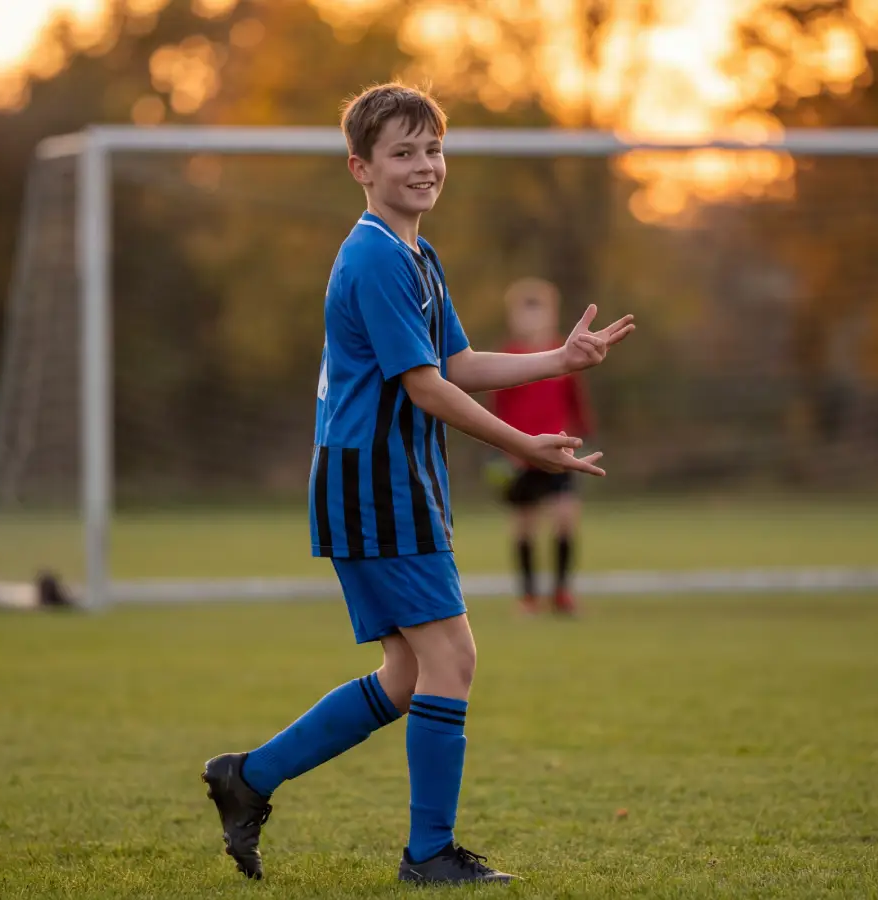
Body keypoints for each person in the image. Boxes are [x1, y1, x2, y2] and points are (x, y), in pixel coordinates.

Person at [200, 82, 634, 884]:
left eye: (433, 149)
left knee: (410, 675)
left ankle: (247, 778)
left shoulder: (416, 255)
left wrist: (560, 360)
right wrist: (525, 447)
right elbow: (425, 386)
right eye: (403, 152)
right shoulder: (371, 255)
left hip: (392, 481)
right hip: (375, 481)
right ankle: (428, 856)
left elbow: (458, 362)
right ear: (361, 167)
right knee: (453, 659)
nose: (425, 165)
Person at [492, 277, 594, 615]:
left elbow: (576, 403)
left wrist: (581, 434)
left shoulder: (564, 356)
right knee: (524, 525)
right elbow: (498, 408)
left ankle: (562, 592)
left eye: (539, 311)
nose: (532, 319)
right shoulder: (507, 358)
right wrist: (505, 447)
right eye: (525, 312)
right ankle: (529, 596)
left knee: (565, 517)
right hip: (520, 455)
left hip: (558, 451)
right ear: (513, 317)